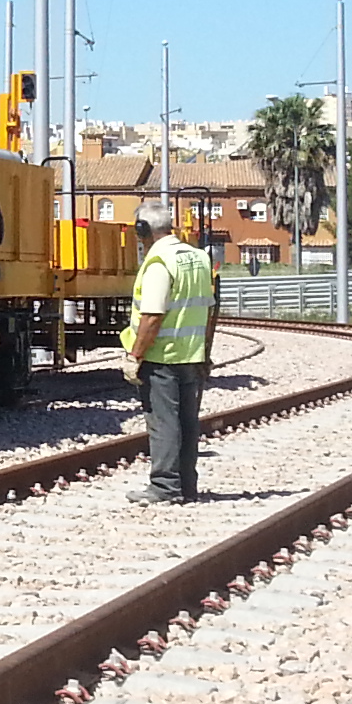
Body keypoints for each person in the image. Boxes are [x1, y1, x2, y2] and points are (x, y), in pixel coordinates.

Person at [128, 196, 219, 500]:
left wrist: (135, 355)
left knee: (163, 422)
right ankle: (187, 485)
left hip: (161, 357)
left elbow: (152, 316)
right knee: (187, 421)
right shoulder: (198, 258)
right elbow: (208, 311)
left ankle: (165, 487)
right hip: (190, 354)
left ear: (143, 229)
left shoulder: (158, 263)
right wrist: (205, 353)